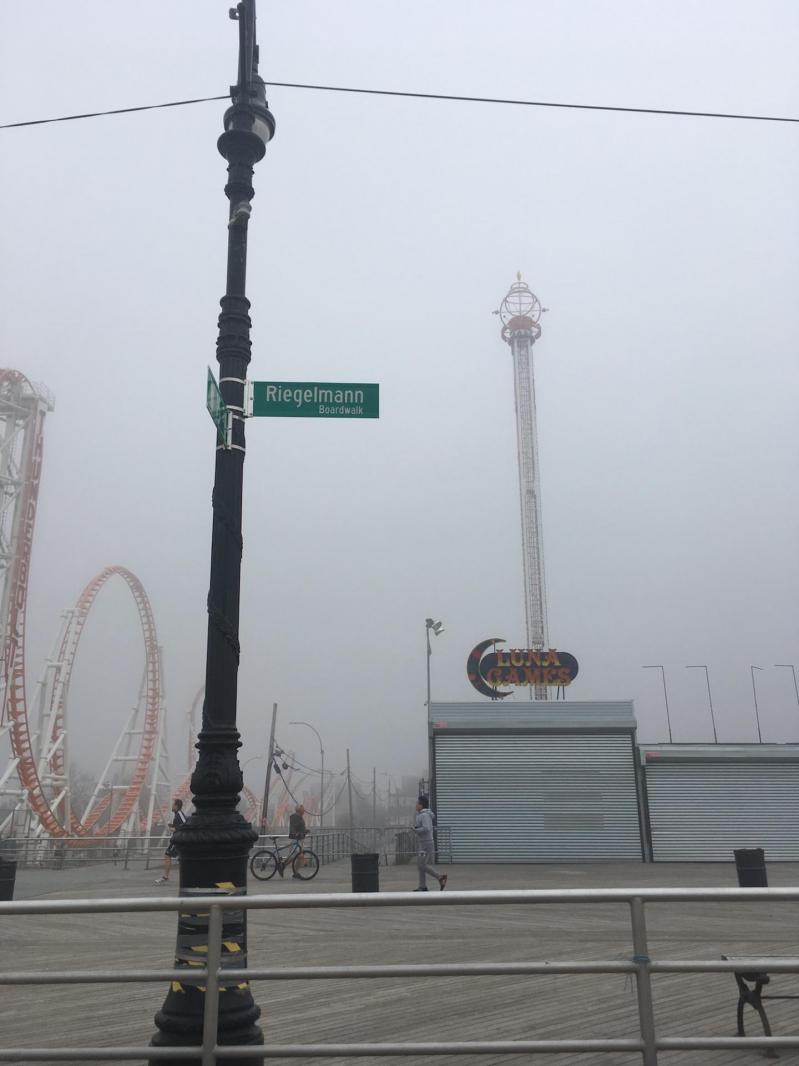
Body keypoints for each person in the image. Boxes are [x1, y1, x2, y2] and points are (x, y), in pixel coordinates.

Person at [413, 795, 447, 892]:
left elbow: (427, 828)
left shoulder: (424, 815)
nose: (415, 805)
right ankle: (422, 886)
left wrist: (416, 830)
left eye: (417, 803)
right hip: (423, 843)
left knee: (422, 865)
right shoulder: (421, 815)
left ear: (421, 805)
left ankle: (440, 877)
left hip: (426, 844)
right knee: (420, 865)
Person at [155, 798, 187, 885]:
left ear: (176, 806)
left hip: (178, 840)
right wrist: (172, 825)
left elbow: (186, 824)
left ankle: (166, 877)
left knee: (167, 854)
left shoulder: (179, 814)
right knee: (181, 858)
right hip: (177, 839)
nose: (171, 806)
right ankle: (166, 876)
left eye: (173, 804)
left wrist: (175, 828)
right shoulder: (177, 815)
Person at [286, 803, 307, 879]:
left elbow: (299, 827)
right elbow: (293, 828)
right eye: (303, 808)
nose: (304, 810)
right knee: (298, 855)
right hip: (296, 839)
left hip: (299, 839)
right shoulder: (295, 817)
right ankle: (295, 872)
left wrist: (305, 831)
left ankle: (294, 872)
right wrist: (296, 833)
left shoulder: (299, 817)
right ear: (299, 810)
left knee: (294, 856)